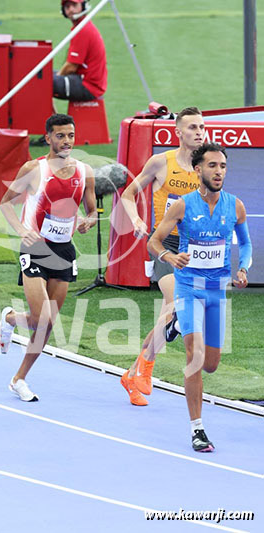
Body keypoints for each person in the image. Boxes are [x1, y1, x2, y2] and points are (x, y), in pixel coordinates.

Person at [148, 142, 252, 451]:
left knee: (212, 365)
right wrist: (169, 256)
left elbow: (245, 245)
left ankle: (176, 324)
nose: (218, 171)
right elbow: (154, 241)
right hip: (188, 288)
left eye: (222, 166)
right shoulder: (181, 206)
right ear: (198, 170)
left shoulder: (235, 206)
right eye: (212, 166)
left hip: (216, 292)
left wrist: (243, 268)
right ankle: (197, 429)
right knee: (194, 359)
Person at [0, 113, 97, 401]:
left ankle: (19, 377)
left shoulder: (85, 171)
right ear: (48, 137)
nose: (67, 141)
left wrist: (89, 220)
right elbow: (5, 203)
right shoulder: (34, 169)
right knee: (42, 317)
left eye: (71, 136)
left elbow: (91, 211)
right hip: (36, 248)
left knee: (48, 324)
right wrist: (20, 230)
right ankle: (13, 319)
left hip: (64, 251)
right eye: (61, 136)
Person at [120, 107, 205, 406]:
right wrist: (137, 221)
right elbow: (128, 194)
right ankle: (144, 369)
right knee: (174, 308)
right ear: (178, 132)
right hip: (165, 245)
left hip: (195, 251)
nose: (199, 132)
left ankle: (134, 373)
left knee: (168, 316)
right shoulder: (161, 163)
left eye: (202, 127)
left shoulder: (207, 166)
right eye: (192, 127)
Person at [54, 1, 107, 102]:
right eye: (67, 7)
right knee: (43, 77)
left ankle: (47, 117)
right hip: (89, 82)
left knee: (43, 82)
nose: (71, 10)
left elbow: (71, 67)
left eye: (74, 6)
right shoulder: (84, 26)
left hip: (88, 86)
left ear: (83, 6)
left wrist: (57, 77)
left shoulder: (82, 30)